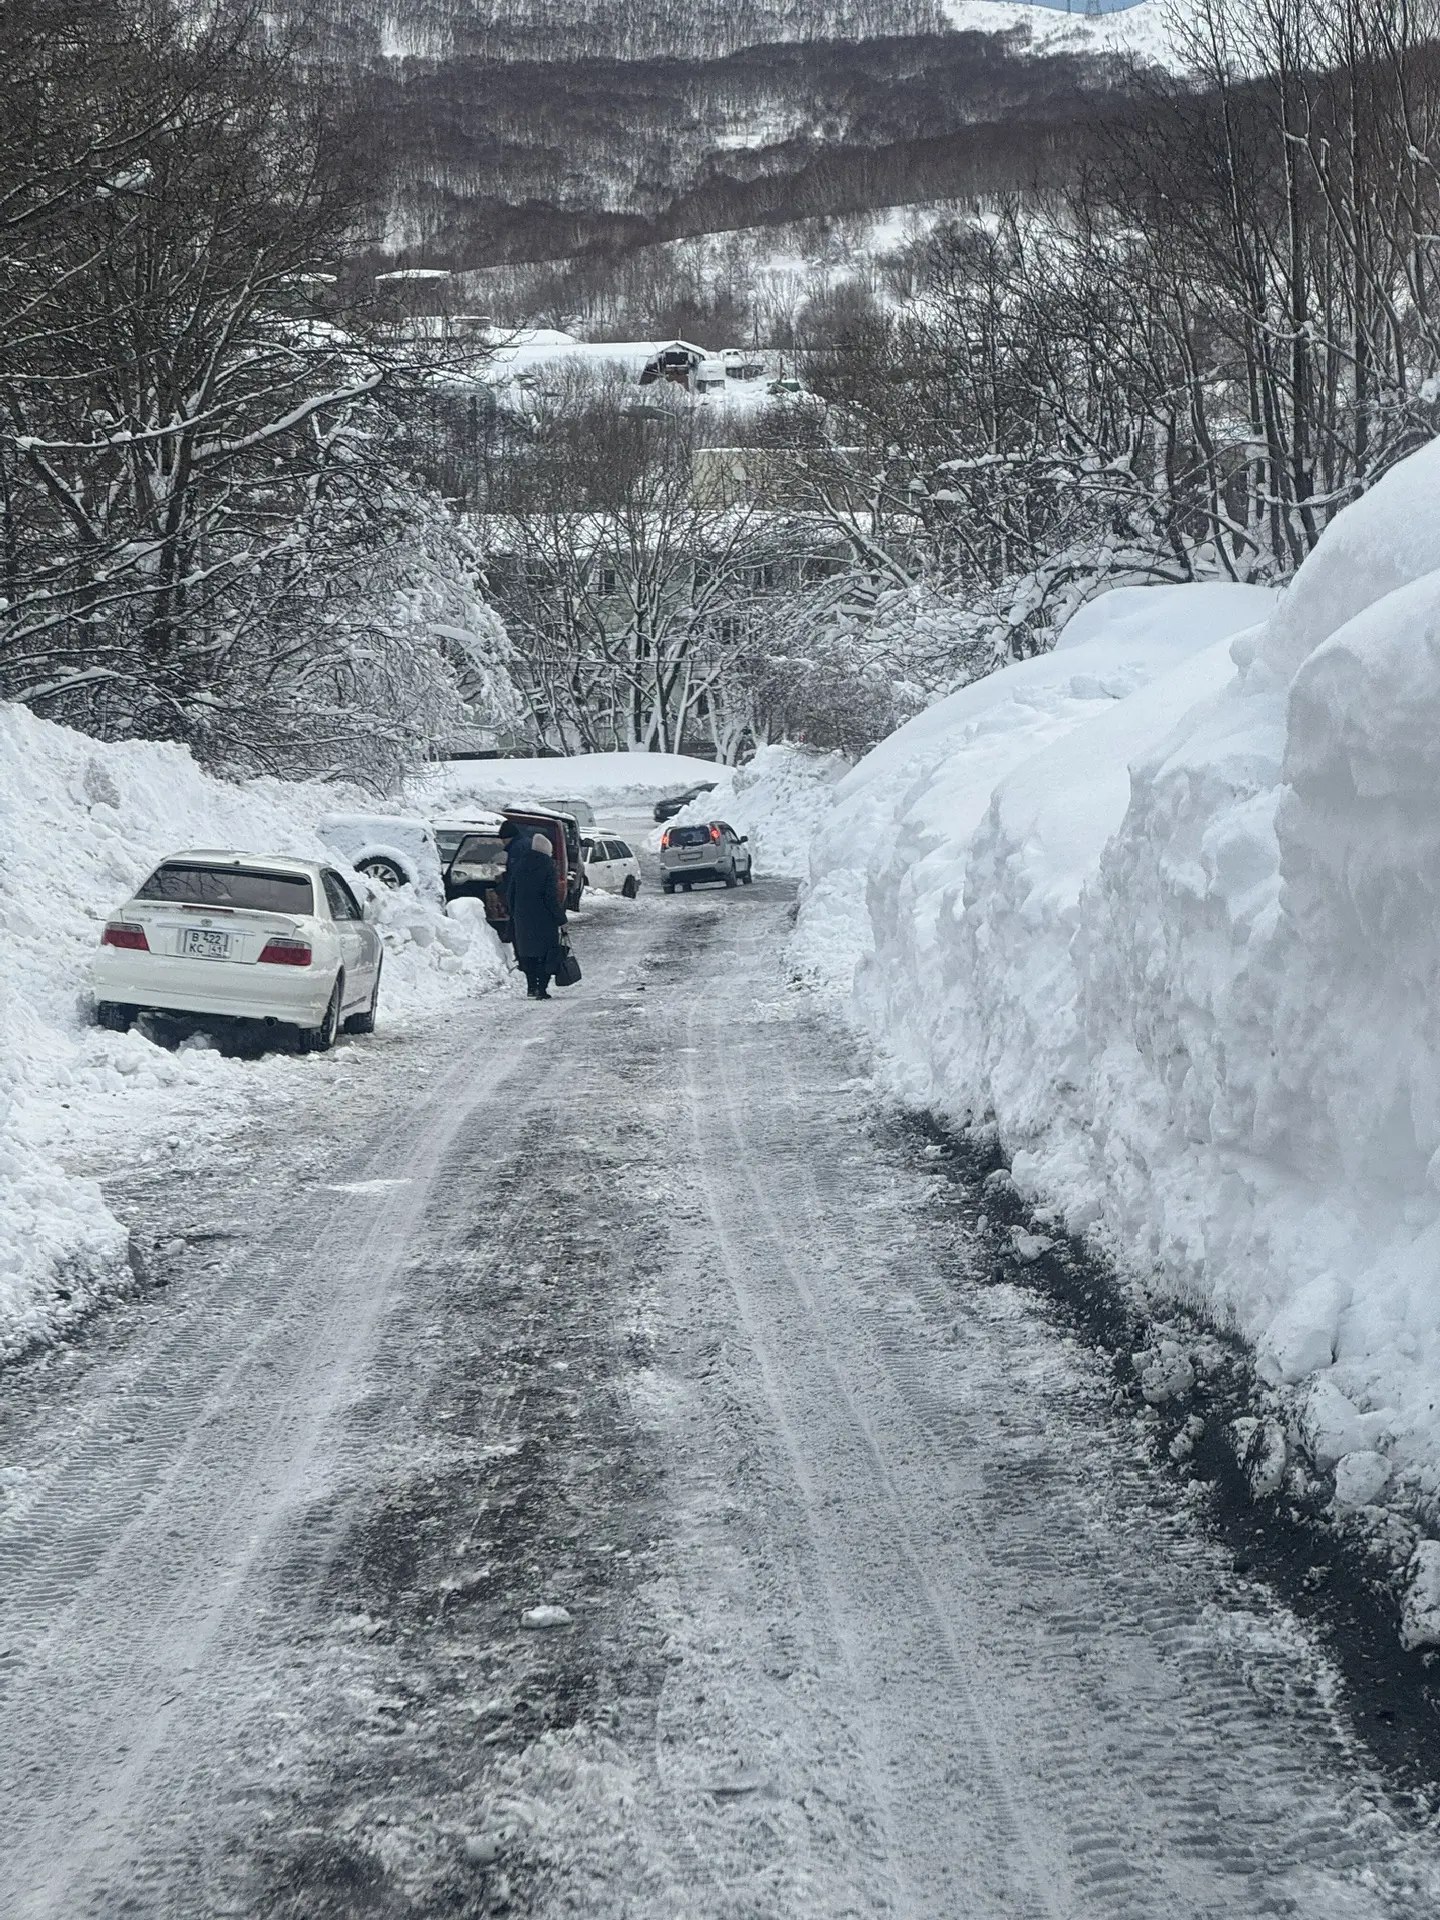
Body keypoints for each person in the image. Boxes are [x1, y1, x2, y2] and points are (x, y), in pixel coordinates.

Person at [504, 826, 567, 1000]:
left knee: (528, 954)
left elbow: (510, 893)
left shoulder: (519, 865)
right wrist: (560, 918)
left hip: (522, 919)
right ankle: (542, 989)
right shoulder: (548, 867)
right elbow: (550, 897)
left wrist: (515, 912)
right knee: (546, 955)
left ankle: (531, 987)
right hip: (544, 919)